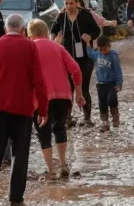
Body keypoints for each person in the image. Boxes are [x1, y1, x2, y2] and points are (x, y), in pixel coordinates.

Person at [0, 15, 48, 206]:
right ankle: (16, 199)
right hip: (23, 110)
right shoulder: (30, 47)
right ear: (23, 30)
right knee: (19, 155)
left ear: (5, 30)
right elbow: (39, 82)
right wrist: (44, 109)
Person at [27, 19, 84, 178]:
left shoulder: (29, 49)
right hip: (62, 96)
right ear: (46, 33)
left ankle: (51, 171)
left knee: (43, 132)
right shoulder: (58, 47)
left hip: (39, 99)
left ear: (30, 35)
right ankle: (63, 164)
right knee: (59, 128)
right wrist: (78, 93)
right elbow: (76, 70)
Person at [51, 0, 100, 126]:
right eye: (66, 3)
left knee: (84, 87)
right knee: (68, 88)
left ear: (77, 2)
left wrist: (90, 36)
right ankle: (67, 118)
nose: (69, 6)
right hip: (67, 57)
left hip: (85, 57)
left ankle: (87, 117)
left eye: (71, 3)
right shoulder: (61, 16)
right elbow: (53, 29)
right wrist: (54, 40)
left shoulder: (85, 15)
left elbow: (97, 30)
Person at [85, 35, 123, 132]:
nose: (103, 52)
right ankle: (105, 123)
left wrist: (119, 84)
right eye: (101, 50)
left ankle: (115, 116)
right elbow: (90, 53)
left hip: (112, 83)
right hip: (101, 83)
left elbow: (118, 70)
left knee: (112, 99)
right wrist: (87, 42)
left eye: (104, 49)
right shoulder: (97, 54)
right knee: (102, 103)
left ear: (109, 46)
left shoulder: (113, 55)